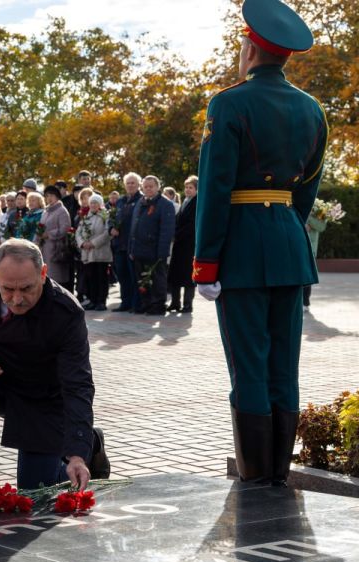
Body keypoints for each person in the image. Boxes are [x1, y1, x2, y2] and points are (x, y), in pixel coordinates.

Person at [193, 0, 326, 485]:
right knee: (284, 366)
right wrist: (283, 231)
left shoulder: (228, 103)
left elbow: (215, 188)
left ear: (250, 50)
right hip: (289, 246)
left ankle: (255, 480)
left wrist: (206, 263)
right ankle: (278, 474)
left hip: (242, 252)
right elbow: (306, 189)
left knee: (249, 366)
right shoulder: (312, 108)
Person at [0, 239, 108, 497]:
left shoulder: (66, 312)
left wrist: (77, 453)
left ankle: (91, 443)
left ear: (43, 273)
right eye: (7, 289)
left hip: (42, 401)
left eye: (27, 288)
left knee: (35, 492)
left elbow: (77, 385)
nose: (17, 299)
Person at [128, 176, 176, 315]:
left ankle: (158, 306)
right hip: (138, 250)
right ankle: (146, 304)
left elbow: (167, 231)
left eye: (151, 186)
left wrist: (162, 252)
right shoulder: (140, 202)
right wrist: (131, 249)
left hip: (155, 251)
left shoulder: (165, 204)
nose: (148, 189)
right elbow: (133, 227)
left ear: (158, 187)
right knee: (142, 280)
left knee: (157, 280)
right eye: (145, 186)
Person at [110, 173, 143, 312]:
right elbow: (112, 218)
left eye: (133, 183)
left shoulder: (142, 200)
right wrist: (111, 228)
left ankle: (136, 304)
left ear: (139, 184)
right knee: (122, 276)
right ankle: (125, 302)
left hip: (133, 245)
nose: (130, 185)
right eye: (128, 183)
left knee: (134, 276)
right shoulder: (120, 201)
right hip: (119, 245)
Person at [167, 176, 198, 313]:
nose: (187, 190)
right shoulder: (185, 201)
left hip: (189, 244)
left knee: (188, 276)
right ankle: (175, 303)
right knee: (175, 274)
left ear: (197, 189)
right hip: (179, 245)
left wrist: (176, 234)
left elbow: (192, 224)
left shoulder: (197, 203)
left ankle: (187, 304)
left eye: (191, 187)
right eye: (186, 187)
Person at [76, 194, 112, 311]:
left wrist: (93, 243)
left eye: (95, 202)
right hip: (87, 253)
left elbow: (107, 233)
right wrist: (82, 243)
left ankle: (101, 301)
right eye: (91, 202)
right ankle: (92, 300)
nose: (93, 205)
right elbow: (78, 232)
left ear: (100, 204)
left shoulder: (105, 216)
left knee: (101, 278)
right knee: (90, 278)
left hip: (100, 252)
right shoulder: (86, 216)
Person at [38, 185, 73, 292]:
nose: (49, 198)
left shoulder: (61, 211)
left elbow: (65, 228)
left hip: (57, 249)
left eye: (51, 195)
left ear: (57, 196)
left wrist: (49, 234)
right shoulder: (46, 211)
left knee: (57, 278)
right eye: (47, 196)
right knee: (47, 275)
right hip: (45, 247)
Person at [303, 203, 327, 310]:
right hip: (295, 246)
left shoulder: (319, 209)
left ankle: (305, 302)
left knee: (307, 276)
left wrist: (309, 222)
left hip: (311, 248)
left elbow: (321, 227)